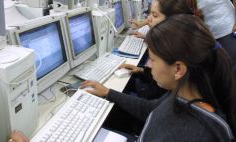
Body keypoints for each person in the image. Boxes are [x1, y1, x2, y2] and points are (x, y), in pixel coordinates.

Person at [80, 14, 236, 141]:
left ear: (178, 69)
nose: (149, 66)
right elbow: (151, 109)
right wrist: (108, 92)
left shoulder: (194, 133)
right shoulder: (183, 94)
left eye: (153, 60)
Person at [130, 0, 201, 38]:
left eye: (155, 16)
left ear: (173, 20)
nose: (148, 19)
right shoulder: (177, 38)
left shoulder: (172, 50)